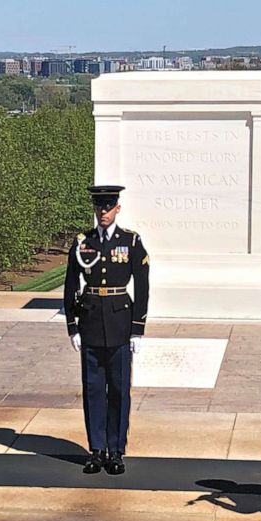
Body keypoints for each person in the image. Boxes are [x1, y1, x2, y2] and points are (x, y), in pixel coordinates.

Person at [62, 185, 150, 475]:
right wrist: (72, 326)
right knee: (94, 388)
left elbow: (143, 286)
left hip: (119, 322)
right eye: (100, 207)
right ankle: (97, 449)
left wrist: (138, 328)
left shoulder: (131, 242)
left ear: (117, 209)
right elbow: (71, 284)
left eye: (109, 207)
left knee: (119, 390)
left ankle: (116, 450)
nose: (103, 212)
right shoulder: (82, 242)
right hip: (90, 320)